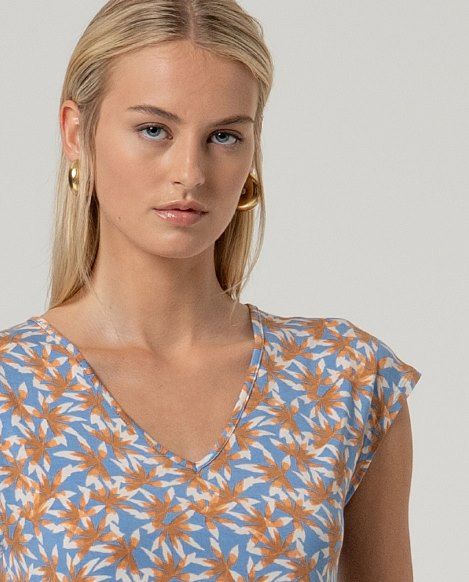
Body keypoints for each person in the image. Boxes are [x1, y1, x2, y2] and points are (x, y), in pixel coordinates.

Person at [0, 1, 422, 580]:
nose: (190, 172)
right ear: (77, 133)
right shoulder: (12, 391)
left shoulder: (342, 379)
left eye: (223, 136)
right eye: (154, 130)